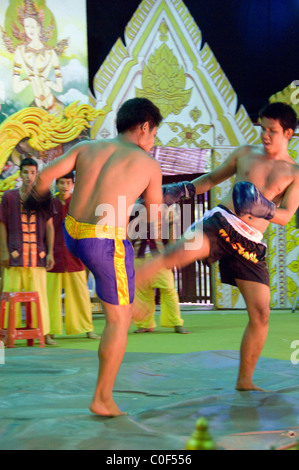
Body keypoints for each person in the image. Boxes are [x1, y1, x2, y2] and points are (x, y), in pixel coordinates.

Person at [135, 102, 299, 392]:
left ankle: (244, 381)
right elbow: (210, 180)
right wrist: (178, 191)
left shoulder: (294, 173)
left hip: (251, 242)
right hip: (220, 223)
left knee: (261, 315)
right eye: (262, 128)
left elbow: (286, 216)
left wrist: (263, 208)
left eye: (272, 131)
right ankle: (123, 294)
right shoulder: (245, 154)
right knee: (174, 255)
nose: (264, 135)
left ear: (288, 133)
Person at [25, 97, 164, 416]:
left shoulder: (87, 147)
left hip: (72, 233)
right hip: (104, 244)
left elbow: (44, 179)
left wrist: (34, 215)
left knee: (122, 302)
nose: (153, 140)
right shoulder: (148, 164)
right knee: (119, 321)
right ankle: (102, 398)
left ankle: (128, 299)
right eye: (154, 133)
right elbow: (152, 219)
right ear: (144, 127)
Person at [0, 157, 55, 341]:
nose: (29, 176)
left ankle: (43, 332)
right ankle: (6, 333)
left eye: (32, 173)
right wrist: (4, 251)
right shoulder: (9, 197)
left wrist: (51, 252)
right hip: (14, 255)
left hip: (37, 255)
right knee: (9, 295)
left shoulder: (44, 197)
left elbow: (49, 226)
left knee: (40, 297)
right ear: (20, 174)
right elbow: (2, 225)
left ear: (36, 174)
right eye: (25, 172)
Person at [46, 171, 100, 344]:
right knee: (50, 297)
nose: (64, 186)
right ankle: (49, 330)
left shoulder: (79, 203)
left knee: (80, 295)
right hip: (52, 256)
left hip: (74, 256)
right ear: (57, 184)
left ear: (73, 184)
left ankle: (87, 328)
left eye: (68, 183)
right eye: (61, 183)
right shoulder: (49, 203)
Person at [130, 188, 191, 334]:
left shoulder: (167, 208)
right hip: (137, 255)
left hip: (160, 255)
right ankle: (145, 324)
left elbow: (172, 232)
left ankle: (176, 323)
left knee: (168, 288)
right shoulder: (133, 208)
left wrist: (172, 253)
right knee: (140, 291)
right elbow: (127, 233)